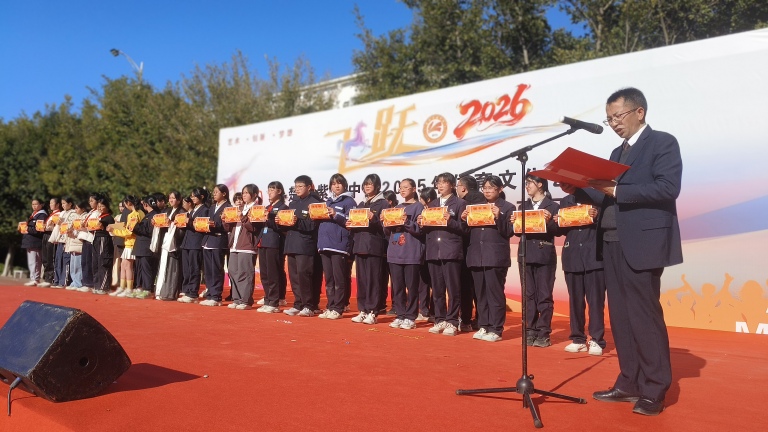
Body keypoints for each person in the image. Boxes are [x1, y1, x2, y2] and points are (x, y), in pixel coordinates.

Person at [581, 87, 682, 416]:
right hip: (611, 240)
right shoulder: (616, 152)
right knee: (621, 317)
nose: (613, 123)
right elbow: (608, 197)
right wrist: (579, 186)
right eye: (609, 119)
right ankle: (629, 381)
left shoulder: (662, 143)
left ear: (639, 112)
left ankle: (654, 388)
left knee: (643, 315)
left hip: (643, 242)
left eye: (618, 116)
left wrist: (616, 189)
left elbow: (668, 187)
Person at [461, 176, 515, 342]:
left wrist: (499, 216)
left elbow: (509, 232)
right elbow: (465, 232)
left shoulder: (508, 207)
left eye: (491, 188)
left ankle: (496, 329)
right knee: (480, 293)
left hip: (495, 256)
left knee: (494, 293)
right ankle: (483, 325)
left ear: (500, 189)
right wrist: (464, 220)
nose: (487, 191)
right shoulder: (476, 207)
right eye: (484, 188)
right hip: (476, 255)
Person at [510, 174, 559, 347]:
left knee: (544, 295)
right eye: (526, 183)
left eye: (529, 183)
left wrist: (549, 221)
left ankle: (543, 332)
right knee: (528, 295)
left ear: (540, 184)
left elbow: (558, 230)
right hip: (525, 253)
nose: (527, 186)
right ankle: (530, 330)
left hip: (544, 253)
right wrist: (514, 223)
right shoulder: (523, 206)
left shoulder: (553, 206)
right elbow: (517, 232)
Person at [556, 187, 606, 356]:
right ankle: (578, 339)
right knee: (575, 301)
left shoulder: (599, 198)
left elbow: (609, 223)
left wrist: (597, 216)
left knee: (596, 301)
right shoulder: (565, 201)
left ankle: (596, 339)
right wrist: (557, 221)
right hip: (572, 256)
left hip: (594, 256)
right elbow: (560, 230)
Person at [418, 173, 467, 336]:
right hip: (433, 250)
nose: (440, 186)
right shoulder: (431, 204)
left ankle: (452, 321)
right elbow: (425, 229)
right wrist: (422, 222)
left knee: (453, 289)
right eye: (438, 183)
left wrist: (450, 221)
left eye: (444, 183)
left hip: (451, 251)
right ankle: (439, 319)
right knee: (437, 289)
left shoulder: (460, 203)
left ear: (452, 185)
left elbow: (465, 229)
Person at [384, 179, 425, 330]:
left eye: (406, 187)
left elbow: (420, 230)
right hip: (395, 252)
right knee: (398, 287)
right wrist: (385, 222)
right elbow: (387, 232)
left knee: (412, 287)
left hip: (411, 253)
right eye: (400, 188)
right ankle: (400, 315)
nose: (402, 190)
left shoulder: (419, 207)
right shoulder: (396, 208)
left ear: (414, 189)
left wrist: (406, 221)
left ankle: (410, 316)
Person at [282, 176, 323, 317]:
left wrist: (296, 222)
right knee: (294, 276)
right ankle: (298, 304)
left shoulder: (315, 203)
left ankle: (309, 305)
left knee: (304, 275)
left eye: (300, 186)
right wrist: (281, 221)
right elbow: (287, 224)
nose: (297, 189)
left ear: (309, 187)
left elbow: (312, 225)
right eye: (296, 186)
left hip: (306, 245)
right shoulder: (293, 202)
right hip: (291, 243)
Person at [316, 173, 356, 320]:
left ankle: (338, 308)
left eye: (339, 183)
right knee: (329, 279)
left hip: (339, 245)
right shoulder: (327, 201)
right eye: (333, 184)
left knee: (339, 279)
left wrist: (335, 214)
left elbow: (352, 221)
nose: (336, 186)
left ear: (344, 185)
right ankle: (330, 306)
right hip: (325, 244)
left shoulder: (349, 201)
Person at [224, 184, 261, 310]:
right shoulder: (239, 208)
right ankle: (236, 299)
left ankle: (245, 300)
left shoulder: (257, 208)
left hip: (247, 246)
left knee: (245, 273)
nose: (244, 195)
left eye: (247, 193)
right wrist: (225, 219)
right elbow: (228, 228)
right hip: (234, 244)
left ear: (254, 195)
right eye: (243, 192)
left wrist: (242, 217)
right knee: (233, 272)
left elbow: (253, 228)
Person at [457, 175, 485, 331]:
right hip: (480, 250)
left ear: (463, 187)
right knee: (479, 287)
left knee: (466, 286)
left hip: (467, 248)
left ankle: (466, 319)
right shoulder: (485, 201)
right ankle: (481, 319)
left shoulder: (464, 203)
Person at [256, 181, 288, 313]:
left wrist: (269, 218)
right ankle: (268, 299)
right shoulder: (267, 207)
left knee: (273, 273)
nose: (269, 192)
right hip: (263, 241)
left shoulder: (283, 207)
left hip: (274, 242)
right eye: (268, 190)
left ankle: (274, 302)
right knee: (264, 274)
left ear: (279, 191)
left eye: (272, 190)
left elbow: (282, 226)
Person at [200, 184, 232, 306]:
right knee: (208, 270)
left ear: (224, 194)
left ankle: (216, 296)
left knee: (216, 269)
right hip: (208, 240)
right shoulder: (212, 207)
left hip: (219, 240)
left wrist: (216, 225)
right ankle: (210, 293)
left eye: (216, 192)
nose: (214, 194)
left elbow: (228, 226)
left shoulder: (228, 207)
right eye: (213, 192)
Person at [108, 195, 144, 297]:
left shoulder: (134, 214)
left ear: (128, 203)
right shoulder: (138, 213)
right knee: (124, 265)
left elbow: (129, 232)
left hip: (131, 243)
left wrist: (114, 231)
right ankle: (122, 287)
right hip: (129, 243)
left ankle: (128, 288)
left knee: (128, 266)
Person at [178, 188, 209, 303]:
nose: (192, 198)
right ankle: (187, 290)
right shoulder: (193, 210)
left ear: (202, 197)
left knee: (194, 268)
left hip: (196, 242)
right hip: (187, 242)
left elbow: (202, 226)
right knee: (186, 269)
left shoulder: (205, 210)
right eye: (191, 196)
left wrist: (189, 222)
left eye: (194, 196)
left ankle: (193, 293)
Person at [155, 191, 187, 301]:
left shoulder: (182, 212)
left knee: (172, 269)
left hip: (174, 244)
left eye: (173, 198)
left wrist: (171, 224)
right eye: (170, 198)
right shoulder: (167, 210)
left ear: (179, 200)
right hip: (165, 241)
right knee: (163, 267)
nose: (171, 200)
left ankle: (170, 293)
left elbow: (182, 230)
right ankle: (160, 291)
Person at [130, 195, 161, 299]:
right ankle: (140, 287)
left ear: (146, 204)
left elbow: (149, 231)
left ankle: (147, 289)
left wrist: (136, 226)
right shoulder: (148, 214)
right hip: (140, 245)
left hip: (146, 246)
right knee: (139, 268)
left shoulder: (155, 215)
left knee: (146, 269)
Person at [416, 187, 437, 322]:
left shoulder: (437, 211)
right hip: (423, 250)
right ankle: (424, 310)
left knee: (436, 283)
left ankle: (434, 311)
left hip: (434, 250)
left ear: (427, 199)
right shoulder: (422, 211)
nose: (420, 201)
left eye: (421, 199)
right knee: (423, 282)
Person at [90, 196, 115, 294]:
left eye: (102, 206)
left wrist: (102, 227)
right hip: (96, 239)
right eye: (98, 206)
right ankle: (97, 285)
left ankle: (104, 286)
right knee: (95, 262)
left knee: (103, 262)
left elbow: (111, 231)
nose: (99, 208)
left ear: (107, 207)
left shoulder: (109, 218)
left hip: (104, 240)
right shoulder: (99, 217)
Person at [21, 198, 48, 286]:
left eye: (36, 204)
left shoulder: (42, 215)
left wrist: (27, 228)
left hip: (35, 241)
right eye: (33, 204)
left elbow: (38, 230)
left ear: (41, 205)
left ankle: (36, 279)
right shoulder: (33, 214)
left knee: (35, 261)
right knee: (31, 261)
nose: (34, 206)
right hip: (29, 241)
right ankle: (33, 278)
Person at [64, 201, 88, 290]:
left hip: (79, 242)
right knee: (73, 264)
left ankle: (78, 282)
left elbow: (83, 230)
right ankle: (74, 281)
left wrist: (74, 231)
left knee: (78, 264)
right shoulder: (76, 217)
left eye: (77, 208)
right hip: (73, 241)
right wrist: (70, 231)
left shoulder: (85, 217)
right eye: (75, 208)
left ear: (83, 209)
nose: (75, 210)